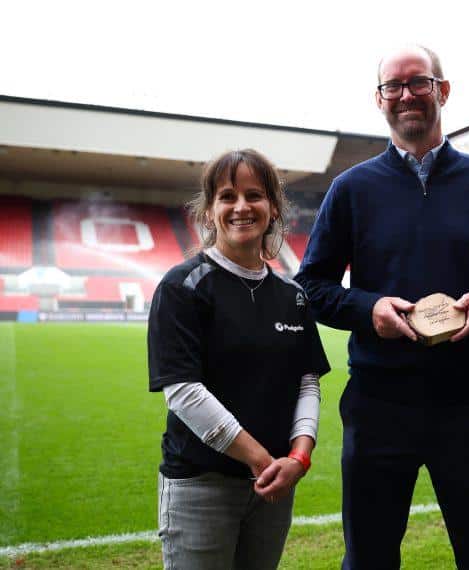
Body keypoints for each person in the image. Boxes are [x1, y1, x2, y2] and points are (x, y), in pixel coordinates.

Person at [295, 45, 469, 569]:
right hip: (379, 406)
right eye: (394, 87)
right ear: (379, 100)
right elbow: (312, 286)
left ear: (442, 91)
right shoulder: (351, 189)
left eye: (419, 83)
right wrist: (369, 310)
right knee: (369, 559)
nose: (406, 95)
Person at [147, 149, 330, 570]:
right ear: (209, 211)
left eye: (255, 195)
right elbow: (184, 392)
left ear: (273, 208)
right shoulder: (182, 287)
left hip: (274, 488)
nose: (242, 207)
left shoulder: (293, 296)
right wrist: (266, 463)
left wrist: (299, 459)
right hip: (202, 486)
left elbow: (307, 381)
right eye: (228, 196)